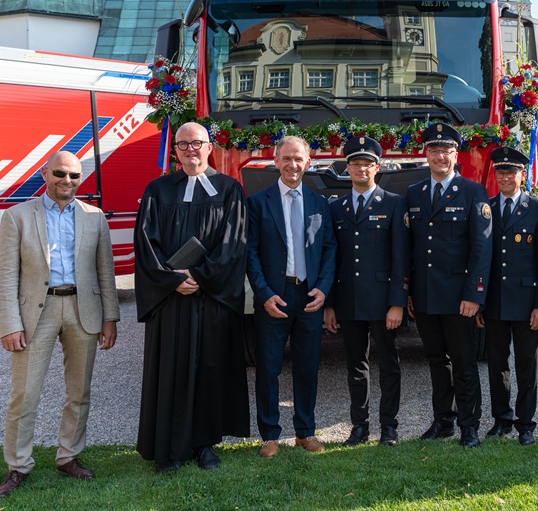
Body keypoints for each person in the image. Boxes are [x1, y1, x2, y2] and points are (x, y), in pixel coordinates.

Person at [0, 151, 119, 498]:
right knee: (24, 394)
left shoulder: (94, 217)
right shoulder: (17, 216)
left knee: (79, 392)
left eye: (74, 176)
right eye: (60, 173)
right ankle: (18, 465)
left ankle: (69, 457)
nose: (67, 181)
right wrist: (9, 323)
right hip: (36, 312)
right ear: (44, 174)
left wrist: (110, 317)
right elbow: (6, 274)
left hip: (84, 310)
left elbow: (106, 272)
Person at [134, 122, 250, 473]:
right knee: (170, 371)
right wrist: (171, 280)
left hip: (209, 300)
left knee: (208, 370)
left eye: (196, 143)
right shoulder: (157, 190)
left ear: (209, 146)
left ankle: (204, 445)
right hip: (170, 302)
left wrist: (199, 276)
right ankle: (168, 449)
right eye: (183, 144)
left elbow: (234, 243)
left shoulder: (229, 190)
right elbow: (145, 244)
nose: (190, 149)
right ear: (175, 150)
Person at [247, 135, 337, 458]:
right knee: (269, 368)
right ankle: (270, 435)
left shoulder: (318, 203)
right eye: (286, 158)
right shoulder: (258, 203)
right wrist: (264, 293)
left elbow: (329, 249)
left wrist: (324, 288)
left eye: (298, 159)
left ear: (308, 163)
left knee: (307, 366)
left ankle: (305, 431)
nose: (292, 165)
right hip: (275, 295)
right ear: (276, 161)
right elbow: (251, 253)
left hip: (310, 295)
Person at [405, 122, 492, 448]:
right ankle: (443, 422)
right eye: (434, 150)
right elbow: (409, 248)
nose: (440, 156)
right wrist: (409, 291)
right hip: (426, 296)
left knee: (464, 363)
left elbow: (481, 249)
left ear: (457, 155)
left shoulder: (472, 192)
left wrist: (474, 294)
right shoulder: (414, 193)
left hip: (459, 299)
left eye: (446, 151)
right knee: (436, 362)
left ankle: (469, 427)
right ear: (425, 154)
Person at [324, 136, 410, 447]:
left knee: (388, 365)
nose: (362, 168)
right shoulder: (337, 208)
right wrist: (330, 304)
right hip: (349, 301)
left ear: (378, 167)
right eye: (356, 163)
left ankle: (389, 427)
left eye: (368, 164)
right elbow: (332, 259)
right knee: (355, 367)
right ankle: (359, 427)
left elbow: (402, 258)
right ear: (347, 168)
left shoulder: (394, 203)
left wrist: (398, 303)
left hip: (383, 301)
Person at [476, 147, 538, 446]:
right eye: (501, 172)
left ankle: (526, 424)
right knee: (497, 364)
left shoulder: (537, 209)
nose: (506, 177)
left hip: (526, 303)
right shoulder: (486, 208)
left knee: (526, 365)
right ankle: (501, 419)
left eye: (512, 172)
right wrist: (479, 301)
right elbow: (481, 258)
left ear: (523, 175)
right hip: (494, 302)